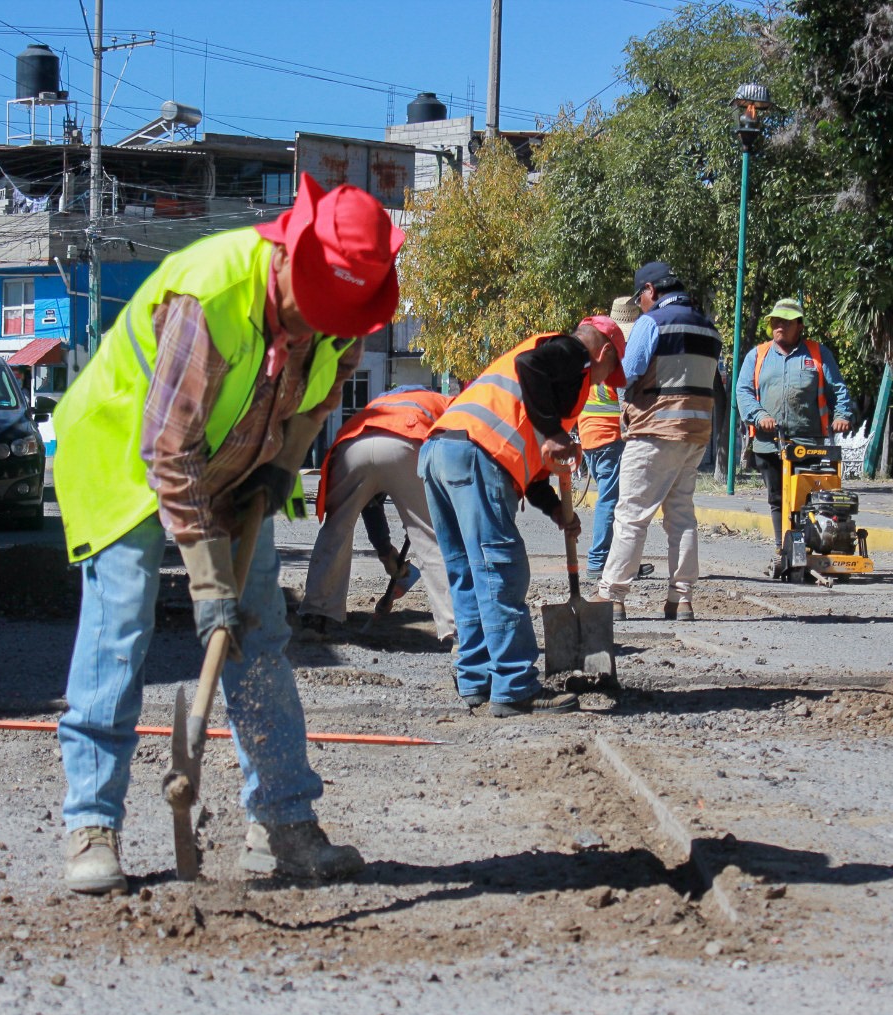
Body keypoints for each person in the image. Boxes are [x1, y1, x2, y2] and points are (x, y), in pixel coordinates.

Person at [49, 174, 402, 894]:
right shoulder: (210, 296)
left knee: (259, 632)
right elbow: (169, 451)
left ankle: (282, 824)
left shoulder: (338, 316)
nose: (321, 327)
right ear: (291, 257)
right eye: (317, 308)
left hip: (238, 458)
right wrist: (209, 586)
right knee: (122, 625)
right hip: (129, 455)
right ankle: (93, 826)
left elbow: (323, 391)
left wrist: (281, 467)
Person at [420, 317, 626, 718]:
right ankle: (514, 686)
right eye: (609, 371)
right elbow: (531, 369)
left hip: (440, 452)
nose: (604, 380)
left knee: (467, 573)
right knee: (500, 571)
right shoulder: (574, 355)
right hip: (478, 455)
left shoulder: (544, 383)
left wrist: (554, 510)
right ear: (603, 353)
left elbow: (529, 461)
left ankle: (476, 680)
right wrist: (552, 432)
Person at [593, 262, 722, 622]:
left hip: (653, 431)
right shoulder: (709, 329)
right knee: (682, 517)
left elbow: (627, 373)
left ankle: (612, 595)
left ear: (650, 290)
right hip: (695, 435)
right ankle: (681, 599)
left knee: (632, 516)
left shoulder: (652, 323)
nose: (641, 305)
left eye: (641, 298)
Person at [299, 385, 455, 642]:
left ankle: (315, 615)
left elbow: (370, 501)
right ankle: (455, 628)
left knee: (335, 530)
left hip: (353, 445)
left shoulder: (380, 403)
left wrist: (385, 551)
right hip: (407, 439)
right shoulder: (442, 401)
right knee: (430, 537)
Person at [734, 297, 854, 550]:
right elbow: (743, 391)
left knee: (807, 498)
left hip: (808, 442)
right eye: (776, 321)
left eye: (786, 322)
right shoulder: (758, 355)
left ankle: (809, 544)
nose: (780, 326)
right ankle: (783, 547)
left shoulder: (818, 354)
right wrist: (759, 416)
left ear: (799, 325)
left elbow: (839, 390)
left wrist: (842, 416)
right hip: (769, 443)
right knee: (777, 498)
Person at [579, 296, 652, 587]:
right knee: (611, 501)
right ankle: (598, 562)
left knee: (613, 499)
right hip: (611, 437)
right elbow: (624, 397)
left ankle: (615, 560)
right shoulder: (619, 356)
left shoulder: (594, 351)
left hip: (590, 436)